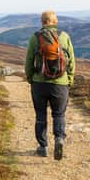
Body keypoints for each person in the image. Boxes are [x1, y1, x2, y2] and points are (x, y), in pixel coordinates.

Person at [24, 11, 75, 160]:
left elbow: (28, 61)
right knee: (58, 114)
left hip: (39, 83)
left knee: (40, 114)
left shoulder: (35, 38)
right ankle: (59, 138)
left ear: (42, 22)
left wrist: (31, 78)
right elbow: (71, 60)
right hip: (60, 84)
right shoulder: (64, 37)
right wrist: (69, 79)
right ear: (55, 21)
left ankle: (43, 147)